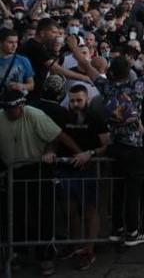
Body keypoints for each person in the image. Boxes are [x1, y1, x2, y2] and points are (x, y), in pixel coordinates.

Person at [69, 31, 144, 246]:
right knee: (133, 191)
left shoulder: (106, 88)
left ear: (111, 74)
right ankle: (132, 232)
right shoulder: (137, 87)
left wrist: (74, 48)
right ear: (129, 73)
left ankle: (117, 228)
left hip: (115, 146)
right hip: (134, 148)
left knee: (118, 189)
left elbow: (88, 67)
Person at [0, 89, 86, 276]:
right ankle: (17, 253)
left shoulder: (34, 115)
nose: (10, 112)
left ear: (21, 106)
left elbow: (57, 137)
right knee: (15, 213)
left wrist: (77, 153)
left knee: (42, 213)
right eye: (7, 108)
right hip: (13, 170)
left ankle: (45, 256)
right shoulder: (1, 118)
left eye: (13, 108)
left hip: (36, 168)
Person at [60, 84, 109, 271]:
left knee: (90, 210)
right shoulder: (64, 117)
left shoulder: (96, 118)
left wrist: (90, 154)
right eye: (72, 101)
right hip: (67, 168)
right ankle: (76, 244)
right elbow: (56, 138)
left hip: (89, 170)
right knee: (69, 209)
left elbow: (106, 144)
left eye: (79, 100)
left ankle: (89, 249)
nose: (75, 104)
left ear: (86, 99)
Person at [0, 27, 35, 96]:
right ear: (1, 43)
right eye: (10, 42)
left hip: (14, 101)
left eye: (16, 42)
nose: (14, 45)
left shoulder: (23, 60)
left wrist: (21, 86)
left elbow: (31, 85)